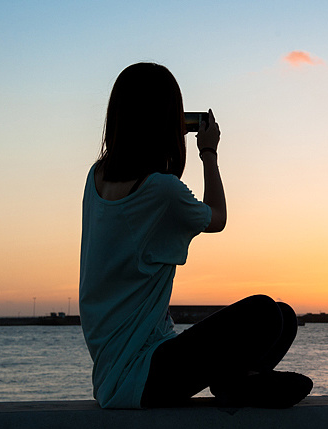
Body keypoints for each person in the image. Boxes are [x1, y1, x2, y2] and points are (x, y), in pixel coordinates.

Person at [79, 62, 312, 409]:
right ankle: (242, 382)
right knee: (264, 313)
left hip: (122, 370)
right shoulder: (161, 190)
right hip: (142, 377)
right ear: (166, 120)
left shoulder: (96, 177)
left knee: (284, 318)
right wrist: (209, 153)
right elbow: (217, 217)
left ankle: (241, 382)